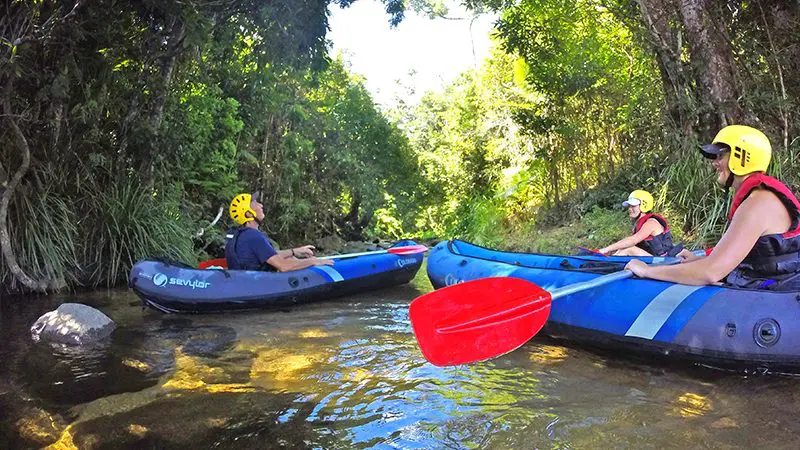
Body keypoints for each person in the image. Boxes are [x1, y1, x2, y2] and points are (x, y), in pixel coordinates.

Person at [625, 125, 800, 290]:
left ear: (742, 157)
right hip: (773, 285)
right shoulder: (760, 197)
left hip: (777, 293)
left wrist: (646, 271)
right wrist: (697, 261)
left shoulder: (758, 202)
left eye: (720, 156)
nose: (714, 163)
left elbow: (711, 271)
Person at [224, 191, 334, 271]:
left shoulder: (241, 235)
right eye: (255, 203)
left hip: (245, 280)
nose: (261, 205)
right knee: (291, 261)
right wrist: (313, 261)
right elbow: (283, 266)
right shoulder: (254, 237)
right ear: (248, 213)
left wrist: (295, 251)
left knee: (291, 257)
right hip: (258, 284)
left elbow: (269, 254)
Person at [598, 190, 678, 257]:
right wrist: (611, 250)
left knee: (630, 249)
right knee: (619, 249)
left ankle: (603, 267)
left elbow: (633, 240)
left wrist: (606, 249)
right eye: (629, 206)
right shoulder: (639, 223)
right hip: (653, 258)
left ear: (644, 205)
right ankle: (602, 263)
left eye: (633, 206)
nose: (630, 209)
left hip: (664, 260)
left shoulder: (651, 223)